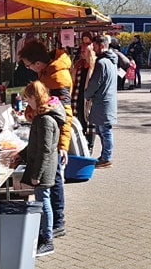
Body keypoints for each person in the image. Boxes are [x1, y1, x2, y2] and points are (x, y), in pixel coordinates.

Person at [18, 39, 74, 239]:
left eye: (28, 65)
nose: (28, 69)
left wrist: (63, 145)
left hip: (55, 139)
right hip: (52, 135)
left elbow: (65, 114)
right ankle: (55, 221)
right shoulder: (47, 72)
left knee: (54, 180)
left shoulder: (57, 77)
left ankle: (57, 222)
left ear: (37, 63)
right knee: (53, 180)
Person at [19, 80, 66, 257]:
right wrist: (22, 154)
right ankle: (43, 235)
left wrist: (36, 174)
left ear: (35, 97)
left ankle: (47, 240)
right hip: (44, 165)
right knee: (42, 200)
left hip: (44, 168)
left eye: (28, 98)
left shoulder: (46, 119)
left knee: (43, 201)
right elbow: (36, 144)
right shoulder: (43, 116)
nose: (27, 102)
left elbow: (45, 149)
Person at [84, 35, 118, 168]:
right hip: (106, 100)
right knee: (102, 130)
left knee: (105, 131)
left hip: (102, 102)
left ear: (102, 46)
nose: (94, 49)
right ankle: (105, 155)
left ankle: (106, 157)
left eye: (96, 46)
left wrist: (87, 94)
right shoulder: (111, 61)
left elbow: (95, 83)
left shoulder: (101, 63)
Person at [72, 32, 96, 146]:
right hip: (78, 95)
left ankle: (89, 144)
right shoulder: (79, 64)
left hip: (89, 98)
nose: (81, 53)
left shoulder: (94, 65)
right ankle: (82, 143)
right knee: (80, 119)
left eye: (83, 51)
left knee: (89, 120)